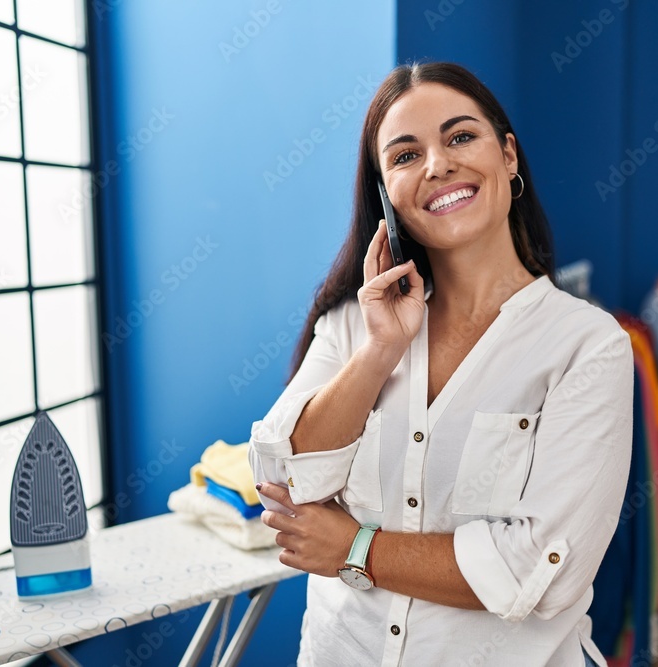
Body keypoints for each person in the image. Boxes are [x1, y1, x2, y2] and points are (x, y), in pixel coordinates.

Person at [248, 61, 633, 667]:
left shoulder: (586, 346)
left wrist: (356, 547)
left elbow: (541, 571)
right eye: (404, 156)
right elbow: (285, 482)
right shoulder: (355, 323)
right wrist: (379, 352)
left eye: (460, 137)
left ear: (508, 155)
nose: (436, 165)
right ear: (385, 194)